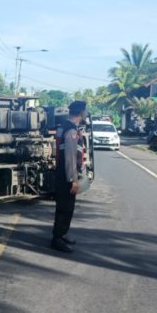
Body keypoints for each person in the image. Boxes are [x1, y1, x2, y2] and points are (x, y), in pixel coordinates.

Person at [51, 100, 87, 253]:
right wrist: (73, 180)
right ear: (81, 113)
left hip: (61, 171)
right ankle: (57, 239)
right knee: (65, 208)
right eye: (85, 111)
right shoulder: (71, 130)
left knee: (64, 206)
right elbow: (71, 157)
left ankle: (62, 234)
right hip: (67, 175)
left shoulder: (62, 127)